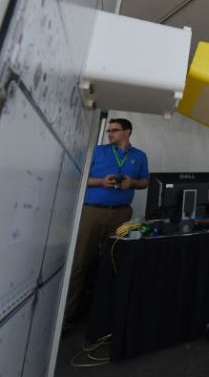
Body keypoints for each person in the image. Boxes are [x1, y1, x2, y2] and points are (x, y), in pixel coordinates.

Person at [64, 118, 149, 324]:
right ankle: (66, 317)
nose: (109, 134)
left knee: (115, 262)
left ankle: (107, 315)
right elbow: (78, 177)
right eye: (109, 130)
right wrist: (101, 182)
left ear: (127, 132)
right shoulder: (97, 151)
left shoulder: (139, 156)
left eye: (115, 130)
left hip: (121, 214)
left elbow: (145, 182)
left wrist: (133, 182)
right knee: (79, 263)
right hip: (92, 212)